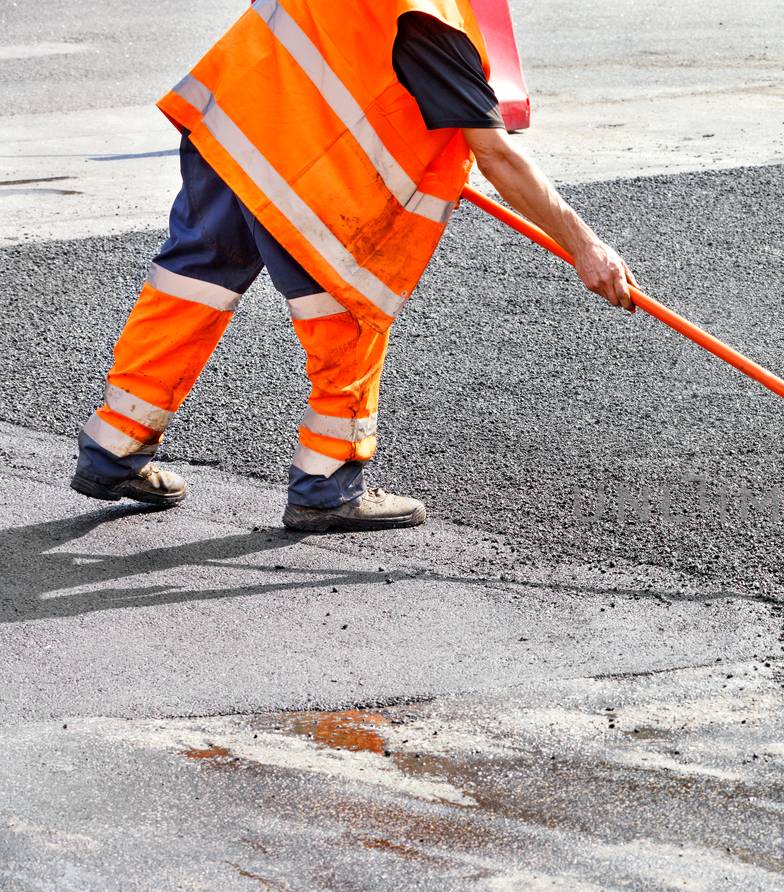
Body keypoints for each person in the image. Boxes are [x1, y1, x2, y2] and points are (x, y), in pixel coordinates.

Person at [71, 0, 636, 531]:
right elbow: (496, 154)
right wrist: (586, 245)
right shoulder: (429, 17)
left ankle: (115, 444)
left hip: (234, 121)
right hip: (302, 166)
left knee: (192, 282)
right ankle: (327, 483)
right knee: (352, 300)